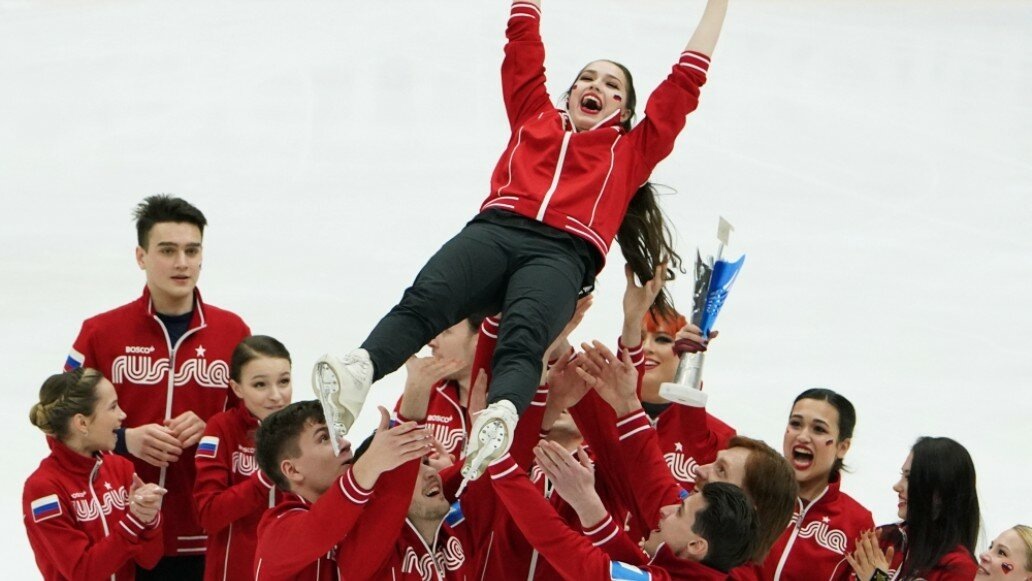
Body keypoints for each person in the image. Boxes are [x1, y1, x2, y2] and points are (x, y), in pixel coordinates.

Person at [313, 0, 732, 483]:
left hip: (562, 253)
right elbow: (522, 41)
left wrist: (717, 5)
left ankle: (500, 417)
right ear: (570, 92)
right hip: (496, 228)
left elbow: (686, 81)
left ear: (626, 110)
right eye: (588, 78)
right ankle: (361, 369)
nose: (596, 86)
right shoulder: (533, 114)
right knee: (426, 300)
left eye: (612, 84)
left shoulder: (634, 149)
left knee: (523, 340)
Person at [64, 195, 251, 577]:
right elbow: (59, 422)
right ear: (141, 256)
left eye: (191, 250)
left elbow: (263, 428)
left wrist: (215, 431)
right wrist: (124, 440)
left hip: (206, 533)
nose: (181, 263)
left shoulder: (234, 333)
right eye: (167, 250)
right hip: (120, 530)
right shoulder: (100, 333)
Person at [252, 391, 432, 579]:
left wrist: (418, 385)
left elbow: (393, 494)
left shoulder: (354, 517)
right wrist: (368, 466)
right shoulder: (275, 534)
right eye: (324, 438)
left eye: (339, 434)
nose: (345, 443)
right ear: (292, 470)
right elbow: (320, 529)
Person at [23, 368, 165, 580]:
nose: (122, 415)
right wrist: (134, 521)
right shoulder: (44, 490)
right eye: (113, 407)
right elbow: (83, 572)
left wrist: (149, 518)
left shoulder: (122, 468)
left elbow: (150, 559)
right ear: (82, 423)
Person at [741, 388, 874, 580]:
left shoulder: (858, 523)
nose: (802, 437)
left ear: (842, 447)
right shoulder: (752, 490)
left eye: (819, 429)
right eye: (795, 424)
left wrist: (880, 578)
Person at [193, 336, 292, 581]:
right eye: (260, 385)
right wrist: (266, 476)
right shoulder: (221, 429)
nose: (276, 395)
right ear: (237, 388)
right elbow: (209, 514)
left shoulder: (305, 429)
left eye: (284, 381)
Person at [845, 437, 980, 580]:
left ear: (941, 491)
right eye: (902, 475)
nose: (897, 487)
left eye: (909, 478)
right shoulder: (885, 538)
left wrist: (878, 579)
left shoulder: (959, 567)